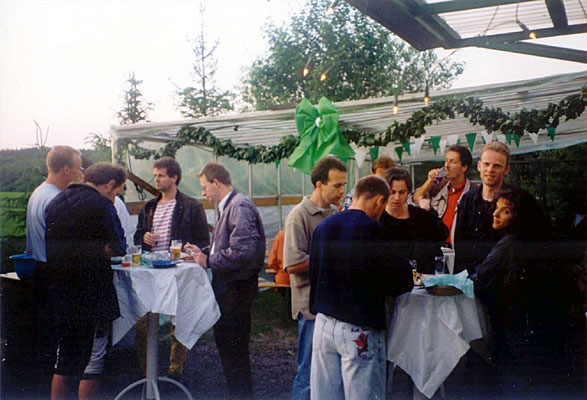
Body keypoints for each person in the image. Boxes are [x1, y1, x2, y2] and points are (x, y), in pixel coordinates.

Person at [309, 175, 413, 400]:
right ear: (380, 201)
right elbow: (403, 280)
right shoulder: (374, 230)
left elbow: (314, 274)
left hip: (324, 325)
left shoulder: (324, 227)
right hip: (359, 329)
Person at [44, 162, 126, 400]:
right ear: (110, 184)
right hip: (93, 292)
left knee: (64, 359)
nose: (115, 198)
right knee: (93, 360)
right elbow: (119, 247)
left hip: (61, 291)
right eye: (117, 193)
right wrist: (102, 250)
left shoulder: (55, 202)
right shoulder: (102, 205)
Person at [185, 161, 265, 400]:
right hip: (229, 289)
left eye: (204, 187)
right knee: (230, 350)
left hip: (236, 290)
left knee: (234, 351)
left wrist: (208, 261)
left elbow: (242, 252)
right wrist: (201, 251)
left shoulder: (239, 207)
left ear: (216, 183)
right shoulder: (228, 206)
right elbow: (227, 246)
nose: (203, 193)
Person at [133, 157, 209, 379]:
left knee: (180, 319)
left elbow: (203, 241)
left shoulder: (191, 206)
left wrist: (189, 252)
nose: (156, 179)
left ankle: (175, 370)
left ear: (174, 177)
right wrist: (144, 237)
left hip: (178, 270)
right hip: (152, 271)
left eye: (161, 175)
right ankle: (148, 372)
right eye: (155, 175)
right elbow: (138, 237)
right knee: (143, 320)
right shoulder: (149, 207)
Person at [283, 155, 347, 400]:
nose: (342, 191)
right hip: (311, 309)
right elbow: (292, 264)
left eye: (344, 185)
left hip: (333, 306)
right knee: (308, 373)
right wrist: (333, 257)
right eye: (337, 185)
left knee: (330, 374)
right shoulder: (298, 216)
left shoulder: (334, 213)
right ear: (319, 185)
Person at [26, 145, 83, 384]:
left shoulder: (38, 193)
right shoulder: (55, 199)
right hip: (55, 274)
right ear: (66, 169)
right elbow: (65, 246)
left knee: (48, 338)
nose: (81, 174)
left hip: (40, 270)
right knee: (62, 343)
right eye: (79, 168)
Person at [453, 141, 548, 274]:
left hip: (508, 278)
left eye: (497, 166)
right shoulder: (467, 200)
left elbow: (537, 244)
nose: (490, 170)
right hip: (472, 277)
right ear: (479, 166)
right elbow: (460, 245)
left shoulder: (521, 200)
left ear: (506, 169)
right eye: (486, 164)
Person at [380, 168, 449, 274]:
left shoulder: (420, 215)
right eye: (392, 192)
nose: (397, 197)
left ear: (408, 192)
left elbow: (443, 234)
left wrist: (430, 211)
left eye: (402, 192)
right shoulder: (377, 218)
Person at [412, 145, 475, 244]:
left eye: (453, 162)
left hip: (458, 247)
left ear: (464, 167)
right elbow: (416, 198)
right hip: (438, 246)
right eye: (446, 161)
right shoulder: (438, 187)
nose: (447, 165)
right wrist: (429, 181)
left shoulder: (473, 192)